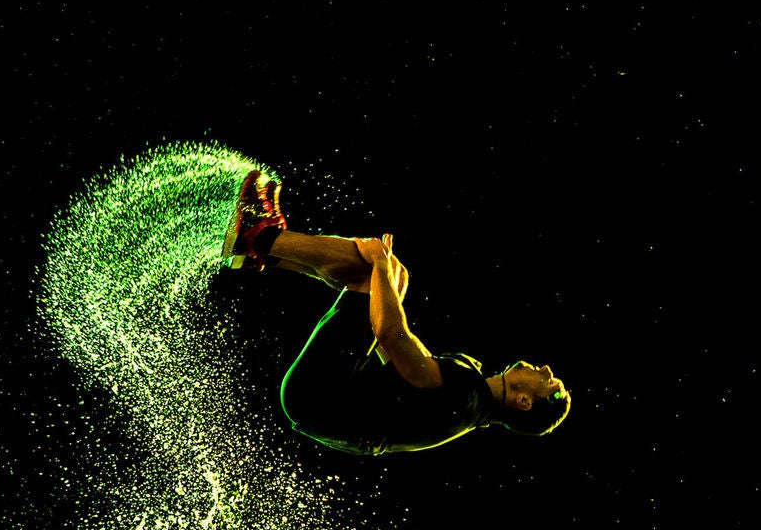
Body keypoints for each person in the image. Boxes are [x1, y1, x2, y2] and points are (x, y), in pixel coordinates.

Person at [222, 162, 571, 456]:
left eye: (550, 384)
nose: (546, 369)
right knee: (391, 277)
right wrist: (386, 279)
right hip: (322, 403)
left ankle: (260, 238)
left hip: (320, 396)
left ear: (524, 402)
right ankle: (260, 254)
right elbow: (394, 353)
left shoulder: (466, 395)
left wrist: (379, 267)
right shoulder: (469, 393)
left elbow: (389, 334)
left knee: (376, 272)